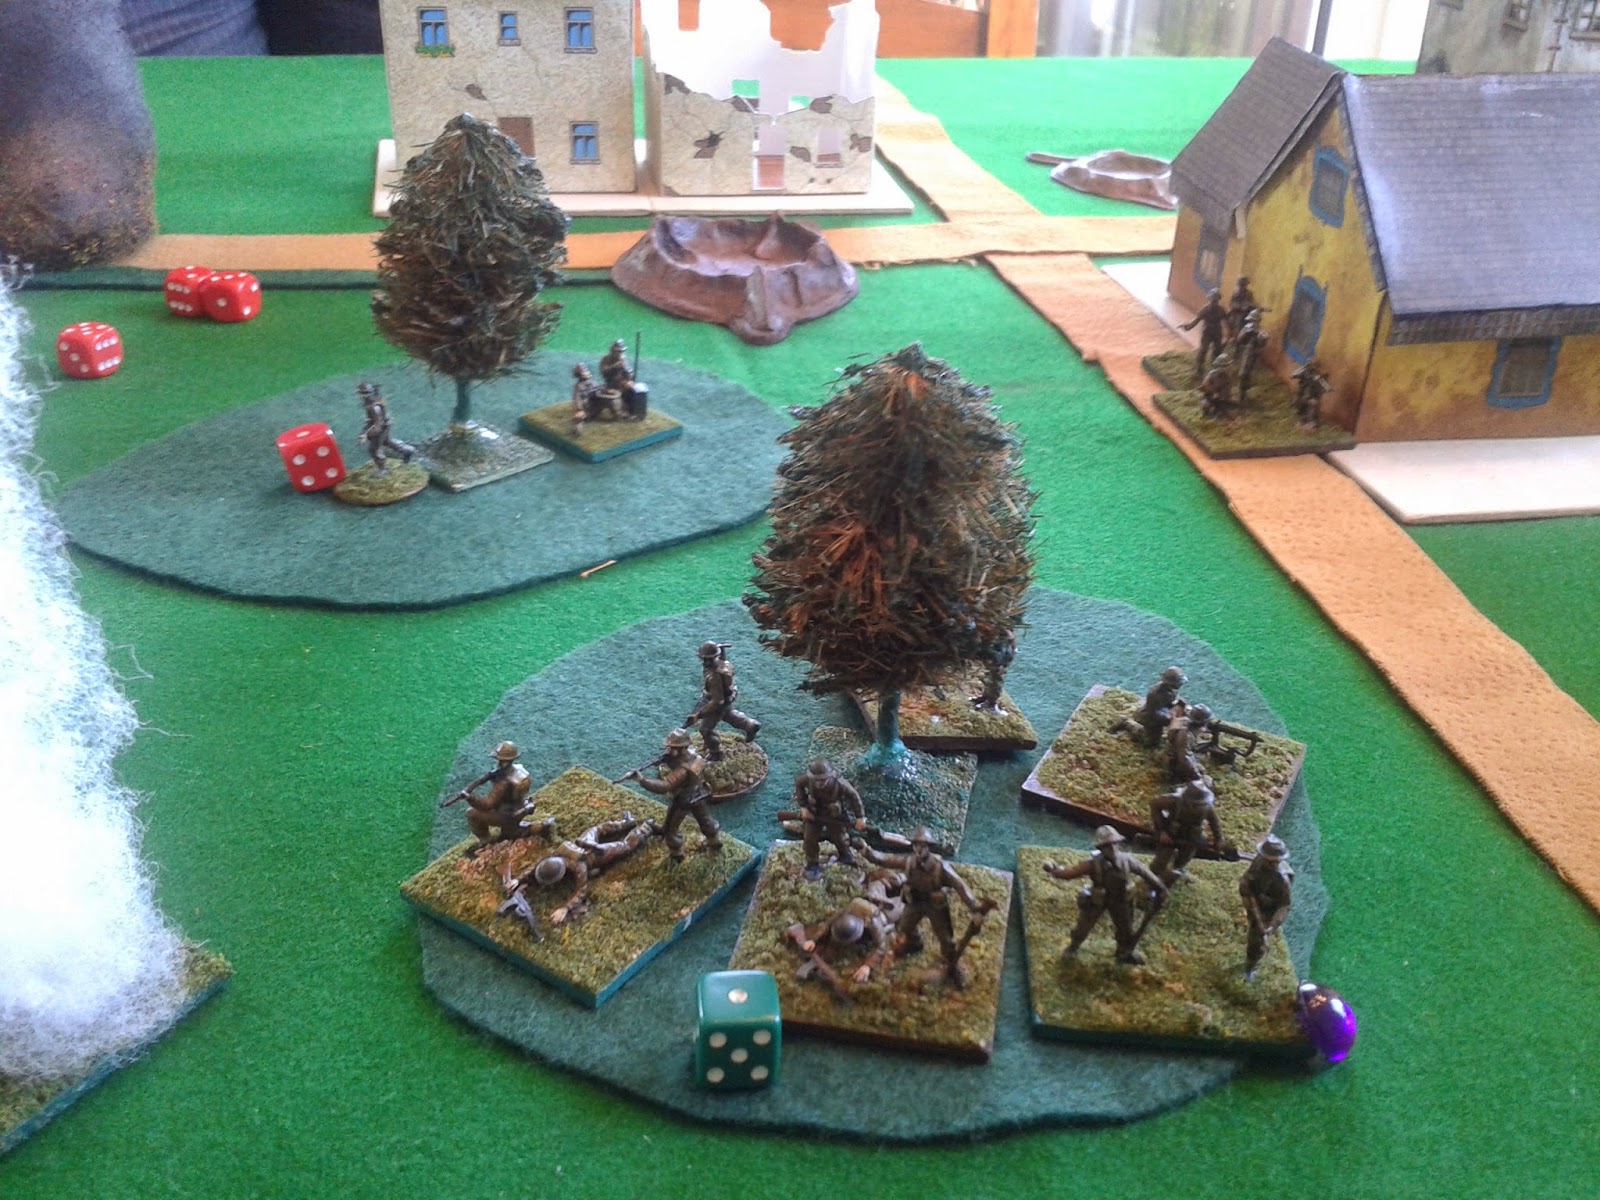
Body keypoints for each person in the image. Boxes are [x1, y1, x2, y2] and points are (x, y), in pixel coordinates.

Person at [861, 827, 989, 988]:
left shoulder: (940, 866)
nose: (919, 849)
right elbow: (885, 859)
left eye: (923, 845)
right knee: (905, 927)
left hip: (935, 906)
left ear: (929, 847)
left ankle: (952, 963)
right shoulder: (909, 861)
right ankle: (914, 944)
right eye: (916, 845)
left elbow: (959, 885)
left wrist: (974, 907)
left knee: (945, 938)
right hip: (915, 902)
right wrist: (867, 851)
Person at [503, 813, 655, 927]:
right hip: (583, 843)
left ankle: (644, 828)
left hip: (595, 854)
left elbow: (581, 891)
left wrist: (565, 908)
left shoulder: (578, 867)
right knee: (597, 829)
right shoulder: (556, 853)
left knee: (624, 846)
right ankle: (626, 822)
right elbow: (536, 865)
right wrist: (518, 879)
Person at [1043, 825, 1168, 965]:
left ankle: (1124, 953)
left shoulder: (1127, 860)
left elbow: (1146, 873)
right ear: (1101, 848)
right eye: (1107, 846)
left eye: (1114, 843)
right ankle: (1073, 947)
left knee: (1125, 930)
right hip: (1099, 900)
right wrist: (1055, 871)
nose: (1112, 848)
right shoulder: (1092, 864)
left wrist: (1161, 888)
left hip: (1121, 901)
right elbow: (1070, 873)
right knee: (1083, 927)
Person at [623, 729, 720, 861]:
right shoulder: (695, 757)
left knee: (670, 829)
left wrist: (642, 780)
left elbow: (665, 786)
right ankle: (714, 840)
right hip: (698, 794)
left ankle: (676, 853)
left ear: (681, 749)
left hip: (683, 800)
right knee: (705, 819)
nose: (669, 750)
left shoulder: (682, 771)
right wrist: (667, 760)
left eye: (673, 748)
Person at [445, 741, 549, 859]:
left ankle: (486, 841)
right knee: (509, 832)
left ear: (505, 761)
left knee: (471, 813)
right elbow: (486, 779)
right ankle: (528, 828)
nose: (498, 762)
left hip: (507, 814)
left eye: (500, 760)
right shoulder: (519, 770)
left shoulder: (503, 783)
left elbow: (487, 805)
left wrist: (470, 798)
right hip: (519, 806)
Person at [790, 758, 865, 880]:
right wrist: (804, 807)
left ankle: (846, 857)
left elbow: (854, 797)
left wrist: (860, 817)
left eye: (823, 779)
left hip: (834, 816)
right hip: (814, 815)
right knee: (809, 839)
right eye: (816, 780)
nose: (819, 783)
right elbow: (799, 784)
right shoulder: (806, 780)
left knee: (840, 838)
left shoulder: (840, 784)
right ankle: (812, 864)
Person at [685, 641, 760, 762]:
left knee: (705, 730)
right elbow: (722, 660)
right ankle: (750, 725)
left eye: (704, 658)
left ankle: (715, 754)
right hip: (727, 698)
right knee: (729, 715)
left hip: (718, 703)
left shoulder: (713, 677)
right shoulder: (724, 664)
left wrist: (699, 714)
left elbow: (717, 701)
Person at [1148, 780, 1224, 885]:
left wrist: (1219, 838)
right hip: (1171, 833)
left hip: (1192, 838)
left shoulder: (1207, 807)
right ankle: (1151, 877)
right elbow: (1154, 804)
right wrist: (1162, 831)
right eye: (1193, 804)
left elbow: (1215, 822)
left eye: (1198, 804)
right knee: (1162, 859)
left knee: (1184, 858)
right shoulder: (1174, 800)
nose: (1195, 807)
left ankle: (1172, 875)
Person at [1240, 835, 1294, 979]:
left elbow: (1284, 906)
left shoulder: (1282, 880)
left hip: (1269, 911)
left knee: (1257, 942)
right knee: (1254, 927)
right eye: (1267, 859)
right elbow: (1248, 878)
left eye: (1273, 861)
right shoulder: (1259, 862)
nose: (1269, 863)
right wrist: (1246, 891)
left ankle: (1250, 968)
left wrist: (1271, 926)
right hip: (1255, 900)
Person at [1114, 666, 1186, 747]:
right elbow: (1153, 713)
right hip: (1149, 718)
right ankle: (1126, 722)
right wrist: (1168, 718)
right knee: (1151, 742)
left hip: (1161, 712)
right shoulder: (1155, 694)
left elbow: (1169, 701)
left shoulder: (1170, 690)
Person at [356, 381, 413, 470]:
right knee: (387, 442)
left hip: (382, 427)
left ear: (372, 392)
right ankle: (407, 450)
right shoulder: (370, 404)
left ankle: (383, 469)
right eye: (361, 393)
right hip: (384, 425)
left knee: (373, 449)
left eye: (366, 393)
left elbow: (377, 425)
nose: (363, 396)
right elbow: (371, 421)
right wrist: (365, 432)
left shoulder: (374, 408)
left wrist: (366, 434)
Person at [1179, 289, 1226, 376]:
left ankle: (1215, 368)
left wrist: (1230, 332)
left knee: (1217, 350)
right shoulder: (1205, 309)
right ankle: (1199, 368)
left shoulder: (1221, 310)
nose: (1214, 302)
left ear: (1218, 300)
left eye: (1216, 300)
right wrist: (1188, 327)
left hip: (1217, 331)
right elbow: (1196, 320)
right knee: (1203, 349)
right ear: (1209, 299)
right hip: (1207, 332)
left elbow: (1226, 321)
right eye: (1213, 300)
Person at [1292, 359, 1330, 429]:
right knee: (1300, 405)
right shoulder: (1304, 373)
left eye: (1312, 367)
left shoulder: (1317, 377)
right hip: (1303, 394)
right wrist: (1303, 368)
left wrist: (1328, 388)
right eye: (1309, 366)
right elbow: (1293, 375)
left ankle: (1312, 423)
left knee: (1311, 405)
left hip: (1313, 396)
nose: (1310, 368)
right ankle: (1303, 422)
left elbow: (1324, 385)